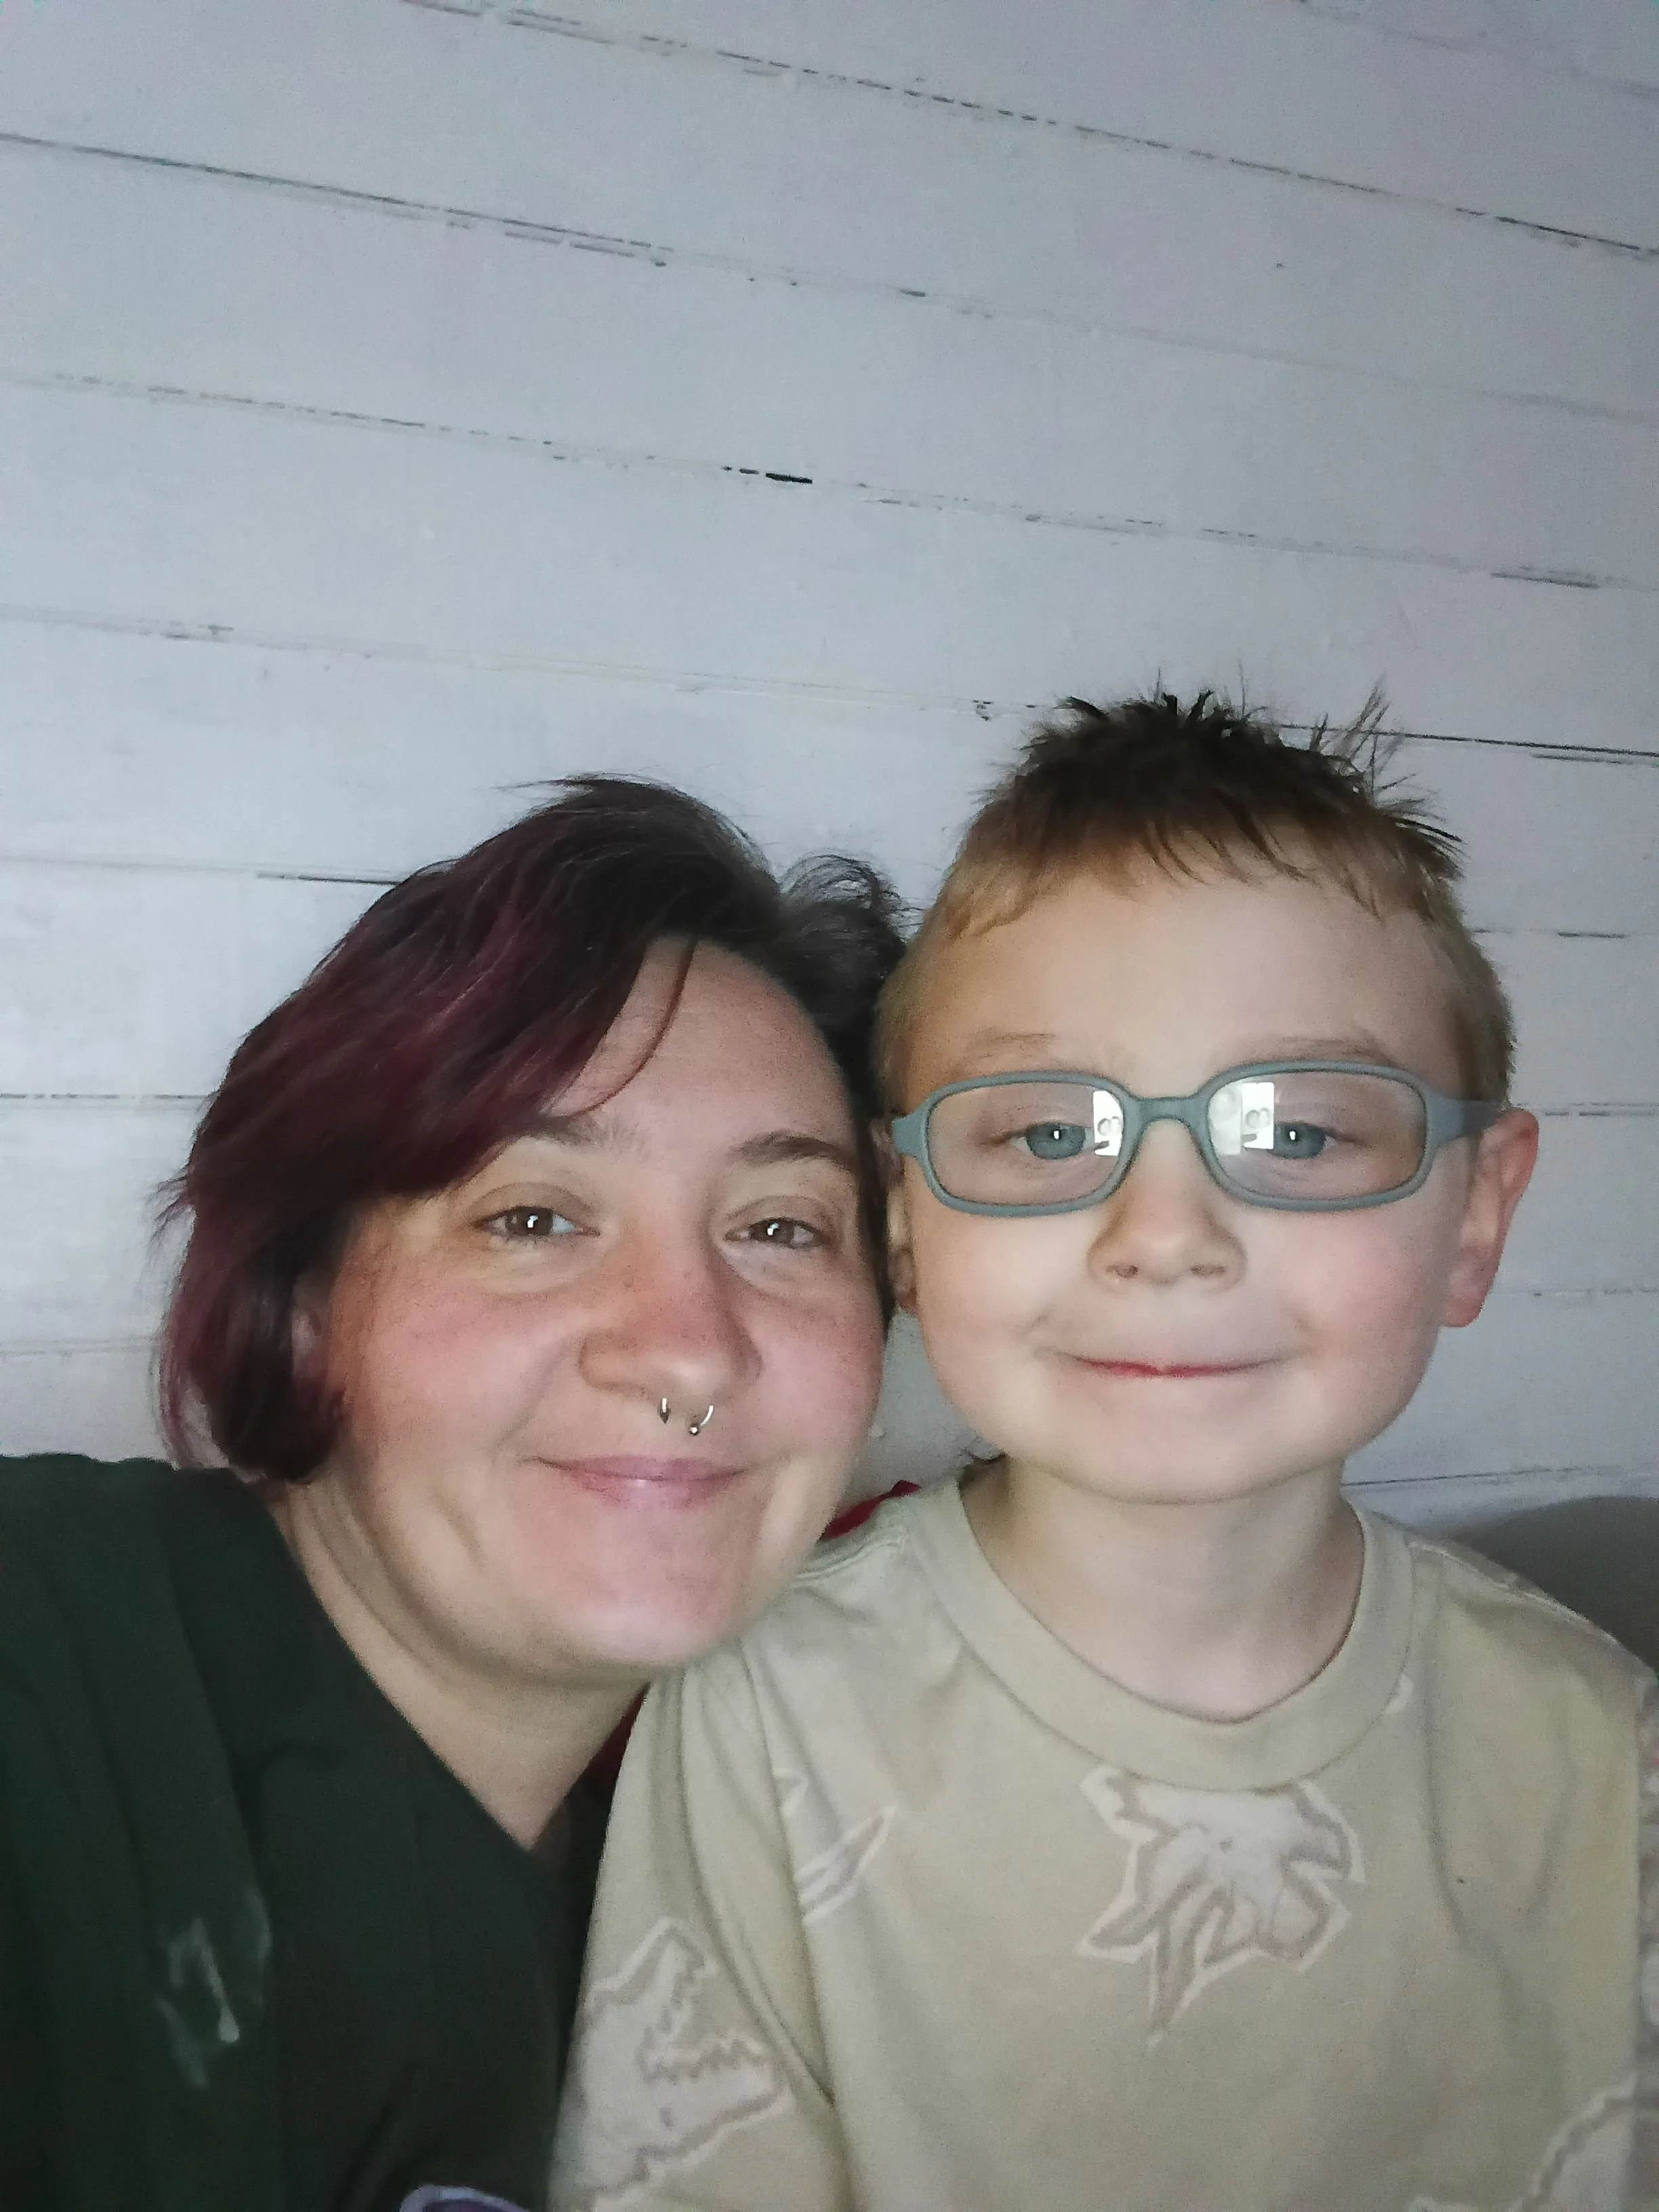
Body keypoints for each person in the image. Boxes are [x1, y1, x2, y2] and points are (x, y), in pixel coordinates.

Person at [554, 696, 1659, 2211]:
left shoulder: (1607, 1753)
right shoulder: (762, 1714)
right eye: (1047, 1135)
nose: (1166, 1239)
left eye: (1303, 1132)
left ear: (1474, 1217)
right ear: (904, 1224)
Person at [0, 776, 905, 2212]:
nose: (685, 1345)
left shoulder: (771, 1871)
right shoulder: (48, 1663)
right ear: (304, 1304)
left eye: (782, 1227)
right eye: (532, 1218)